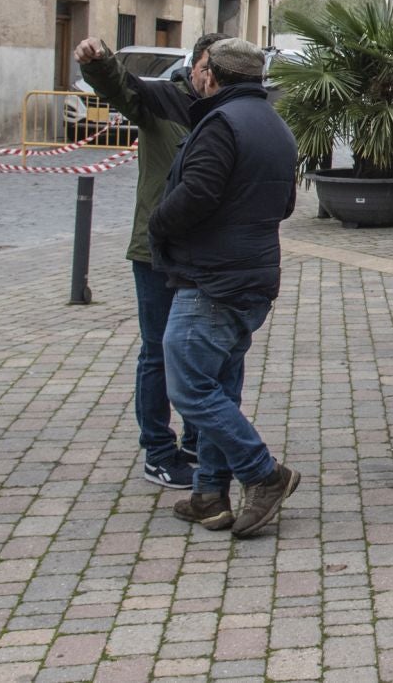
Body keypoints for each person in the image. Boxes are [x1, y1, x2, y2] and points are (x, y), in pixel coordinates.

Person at [150, 38, 300, 538]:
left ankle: (263, 474)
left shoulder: (221, 123)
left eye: (200, 71)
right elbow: (284, 206)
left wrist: (158, 222)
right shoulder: (274, 124)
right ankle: (209, 495)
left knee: (190, 388)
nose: (196, 77)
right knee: (219, 388)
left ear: (211, 76)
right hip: (250, 274)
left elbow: (197, 193)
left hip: (213, 277)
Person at [75, 31, 228, 491]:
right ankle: (158, 451)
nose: (212, 76)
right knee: (158, 351)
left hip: (209, 253)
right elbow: (122, 88)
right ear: (196, 65)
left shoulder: (228, 109)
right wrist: (98, 62)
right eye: (208, 66)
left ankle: (198, 441)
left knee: (203, 351)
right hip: (157, 250)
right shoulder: (164, 100)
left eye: (220, 69)